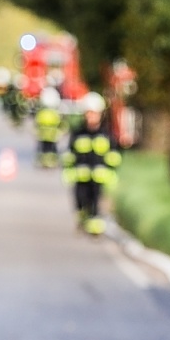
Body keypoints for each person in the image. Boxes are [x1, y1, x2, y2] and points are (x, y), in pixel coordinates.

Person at [61, 93, 120, 235]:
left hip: (99, 178)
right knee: (81, 202)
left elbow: (114, 156)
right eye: (89, 113)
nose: (91, 116)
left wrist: (110, 172)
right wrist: (68, 172)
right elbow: (70, 154)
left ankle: (94, 228)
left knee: (96, 204)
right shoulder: (78, 133)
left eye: (94, 113)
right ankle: (83, 220)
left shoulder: (106, 134)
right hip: (81, 177)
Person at [34, 87, 63, 167]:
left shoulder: (42, 113)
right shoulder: (55, 114)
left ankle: (47, 161)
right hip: (51, 137)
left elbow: (37, 124)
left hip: (46, 137)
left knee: (46, 150)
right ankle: (48, 161)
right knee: (49, 150)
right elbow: (60, 124)